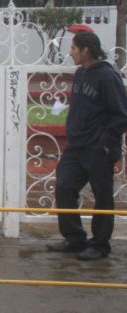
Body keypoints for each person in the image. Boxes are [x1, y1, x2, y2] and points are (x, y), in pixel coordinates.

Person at [46, 32, 127, 260]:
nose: (70, 53)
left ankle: (100, 244)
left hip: (98, 147)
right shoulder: (81, 73)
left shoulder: (108, 77)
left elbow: (121, 115)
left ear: (86, 50)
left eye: (73, 48)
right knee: (64, 184)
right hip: (77, 145)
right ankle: (74, 237)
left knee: (102, 195)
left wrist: (105, 143)